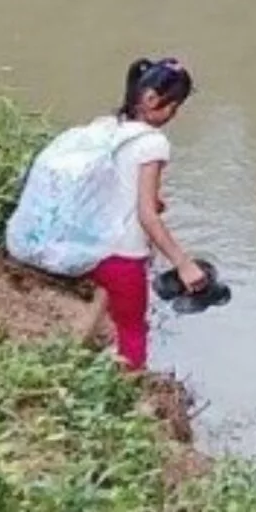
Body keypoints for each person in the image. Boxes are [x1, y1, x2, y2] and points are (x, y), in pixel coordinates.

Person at [85, 56, 202, 371]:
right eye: (173, 107)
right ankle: (125, 399)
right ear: (151, 99)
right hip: (121, 256)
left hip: (86, 246)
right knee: (133, 330)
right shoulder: (152, 143)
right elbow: (147, 216)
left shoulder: (105, 127)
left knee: (103, 309)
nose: (172, 116)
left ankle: (82, 360)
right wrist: (184, 264)